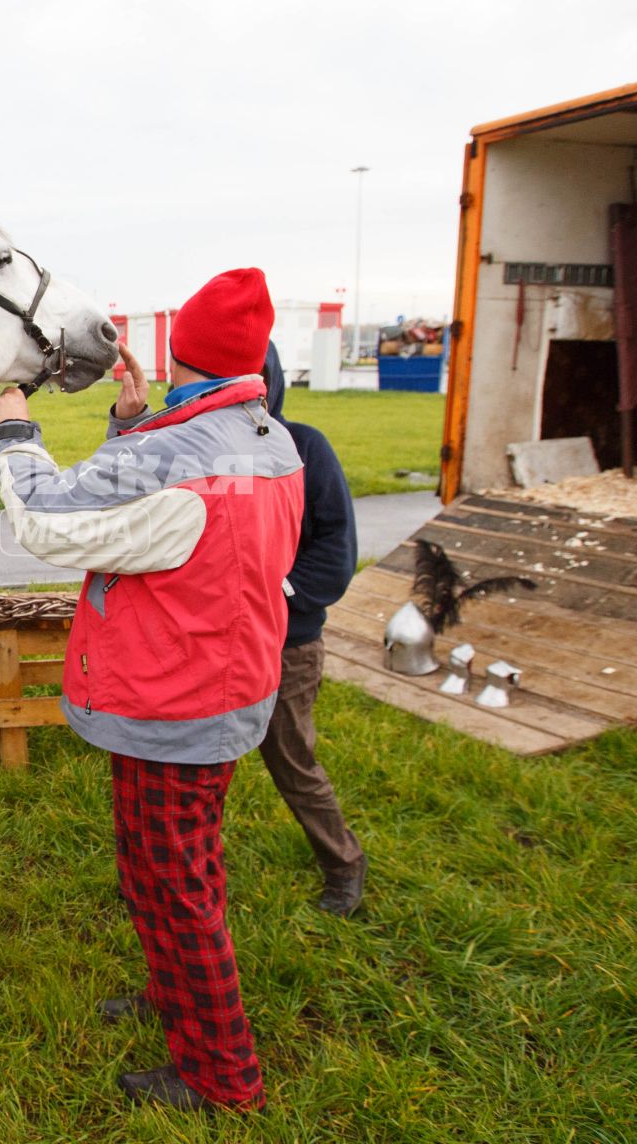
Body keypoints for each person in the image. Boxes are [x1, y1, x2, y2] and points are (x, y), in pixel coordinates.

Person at [0, 268, 303, 1114]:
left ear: (181, 350)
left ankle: (221, 1076)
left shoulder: (175, 456)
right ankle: (176, 996)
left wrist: (17, 433)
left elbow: (50, 522)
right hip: (219, 693)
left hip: (174, 707)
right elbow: (168, 498)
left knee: (175, 888)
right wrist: (132, 424)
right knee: (173, 868)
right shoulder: (263, 432)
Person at [259, 341, 366, 915]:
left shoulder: (305, 448)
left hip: (286, 645)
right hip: (218, 642)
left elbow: (335, 549)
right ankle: (193, 868)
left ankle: (344, 864)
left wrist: (278, 593)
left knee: (292, 760)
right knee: (202, 765)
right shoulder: (204, 450)